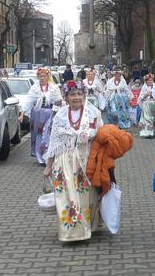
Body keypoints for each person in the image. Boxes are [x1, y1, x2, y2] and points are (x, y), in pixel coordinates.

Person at [43, 84, 103, 243]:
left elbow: (102, 137)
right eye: (72, 94)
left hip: (86, 160)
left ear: (84, 94)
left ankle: (89, 227)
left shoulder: (94, 113)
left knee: (87, 196)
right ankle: (73, 234)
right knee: (66, 198)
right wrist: (48, 166)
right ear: (66, 97)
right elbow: (53, 142)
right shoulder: (60, 115)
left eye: (79, 93)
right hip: (65, 162)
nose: (76, 97)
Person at [20, 68, 63, 165]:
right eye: (41, 76)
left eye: (44, 76)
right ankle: (39, 155)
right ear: (38, 77)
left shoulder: (54, 87)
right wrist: (22, 113)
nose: (42, 78)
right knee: (38, 134)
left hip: (50, 113)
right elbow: (29, 100)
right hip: (38, 114)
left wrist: (58, 104)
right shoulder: (34, 88)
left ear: (48, 77)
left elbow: (59, 100)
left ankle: (47, 154)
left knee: (47, 133)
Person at [138, 74, 155, 138]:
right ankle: (148, 133)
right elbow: (141, 97)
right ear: (146, 81)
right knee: (148, 118)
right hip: (146, 104)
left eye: (151, 80)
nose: (150, 81)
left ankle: (154, 132)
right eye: (149, 80)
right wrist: (146, 95)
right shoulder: (144, 87)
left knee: (154, 118)